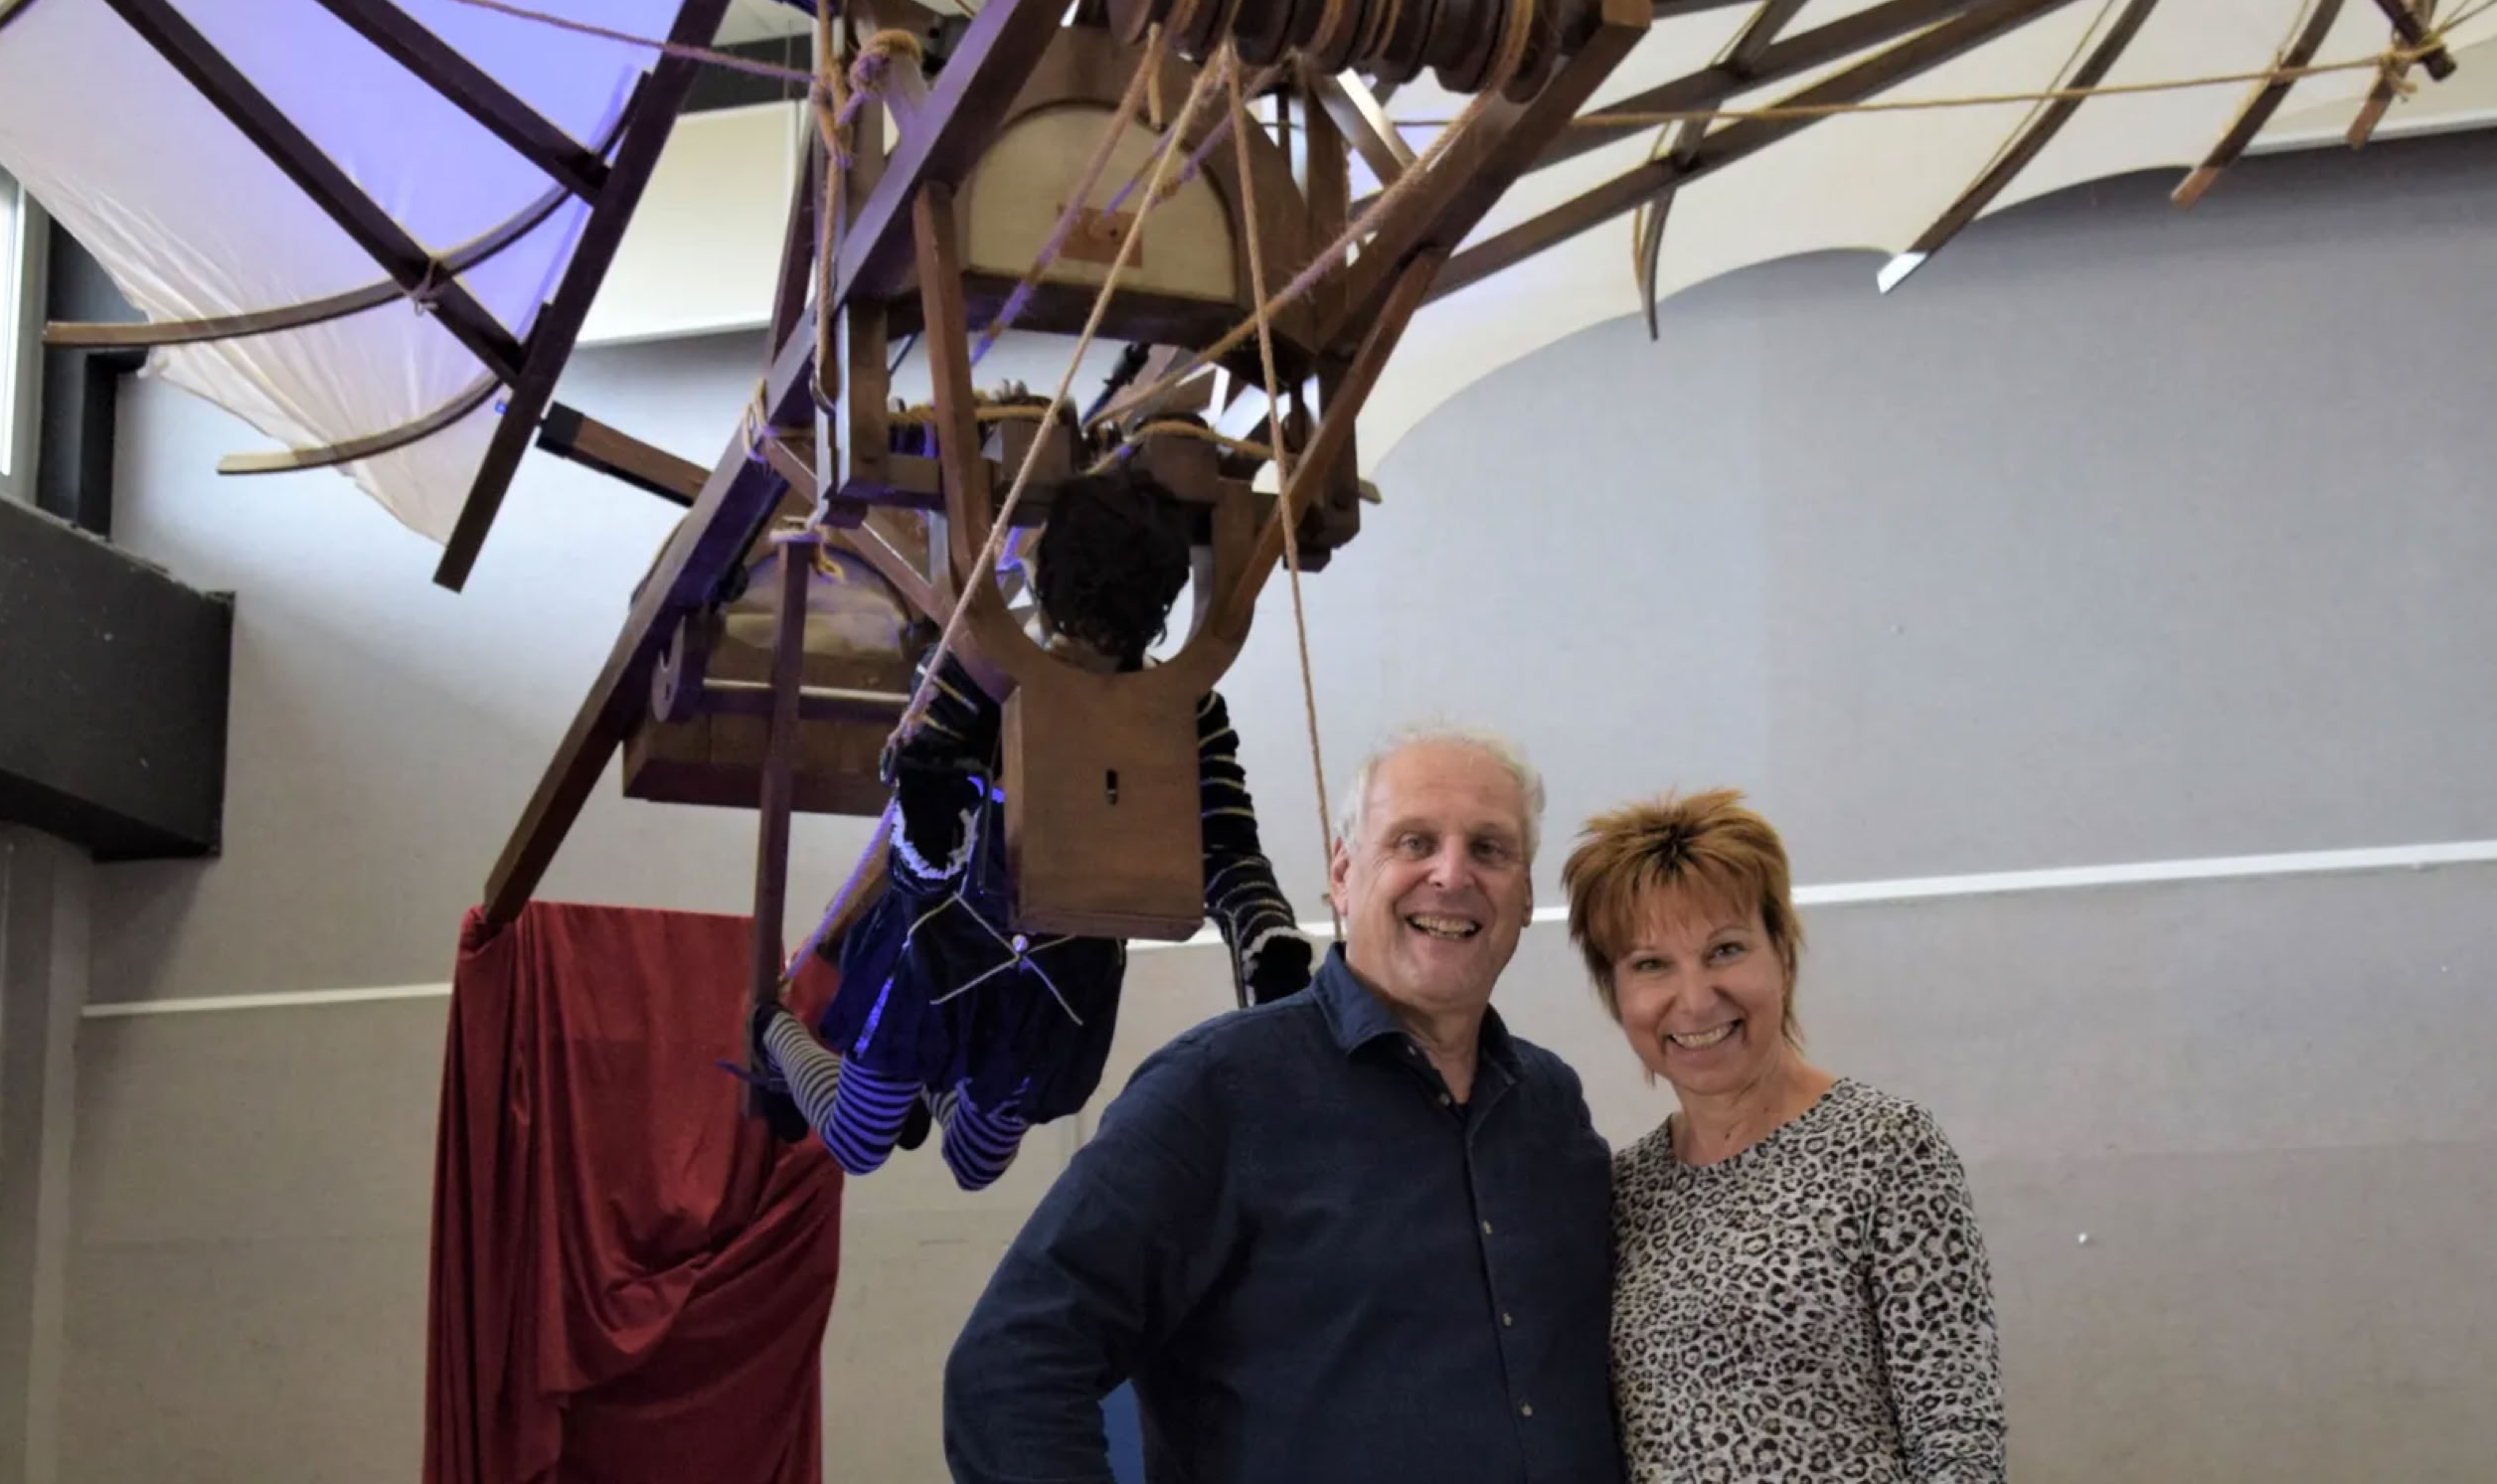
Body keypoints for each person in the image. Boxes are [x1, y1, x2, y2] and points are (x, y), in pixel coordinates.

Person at [940, 726, 1622, 1484]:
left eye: (1489, 849)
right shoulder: (1217, 1091)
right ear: (1343, 873)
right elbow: (1009, 1369)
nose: (1451, 873)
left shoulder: (1552, 1108)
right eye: (1414, 842)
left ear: (1525, 897)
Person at [743, 469, 1313, 1191]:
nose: (1088, 662)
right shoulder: (975, 670)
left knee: (976, 1165)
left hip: (1062, 972)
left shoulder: (1186, 709)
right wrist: (931, 812)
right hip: (945, 943)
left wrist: (1265, 939)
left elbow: (1226, 845)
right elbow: (916, 865)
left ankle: (930, 1084)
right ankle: (769, 1027)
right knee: (860, 1142)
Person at [1563, 790, 2006, 1484]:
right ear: (1615, 994)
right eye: (1651, 964)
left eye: (1725, 950)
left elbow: (1957, 1435)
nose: (1696, 999)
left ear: (1783, 957)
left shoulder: (1887, 1148)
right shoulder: (1625, 1190)